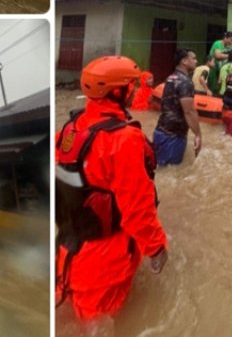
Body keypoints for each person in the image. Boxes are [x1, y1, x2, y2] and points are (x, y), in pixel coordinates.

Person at [56, 55, 166, 326]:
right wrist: (157, 248)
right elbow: (137, 207)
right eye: (132, 86)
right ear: (118, 92)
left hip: (68, 254)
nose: (136, 91)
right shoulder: (124, 139)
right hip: (106, 265)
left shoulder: (69, 129)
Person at [154, 48, 202, 164]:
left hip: (161, 131)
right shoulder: (185, 82)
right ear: (184, 61)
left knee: (162, 170)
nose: (196, 61)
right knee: (171, 172)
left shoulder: (171, 77)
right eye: (193, 58)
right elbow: (189, 111)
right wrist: (198, 135)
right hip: (173, 137)